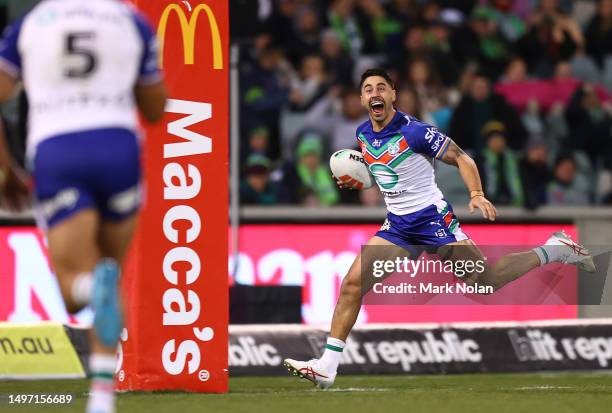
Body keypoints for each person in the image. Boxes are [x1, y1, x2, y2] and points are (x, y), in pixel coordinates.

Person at [283, 68, 594, 389]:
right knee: (351, 284)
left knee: (485, 282)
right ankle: (327, 367)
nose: (374, 93)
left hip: (433, 220)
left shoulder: (415, 131)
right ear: (362, 99)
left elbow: (462, 158)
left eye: (381, 88)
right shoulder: (363, 135)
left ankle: (555, 248)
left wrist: (476, 194)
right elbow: (388, 172)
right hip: (398, 227)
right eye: (368, 89)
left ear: (393, 94)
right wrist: (357, 178)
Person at [0, 1, 166, 412]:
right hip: (118, 147)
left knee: (76, 287)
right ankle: (102, 400)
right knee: (113, 266)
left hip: (59, 148)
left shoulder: (30, 25)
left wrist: (7, 170)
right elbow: (155, 108)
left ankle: (92, 288)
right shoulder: (132, 21)